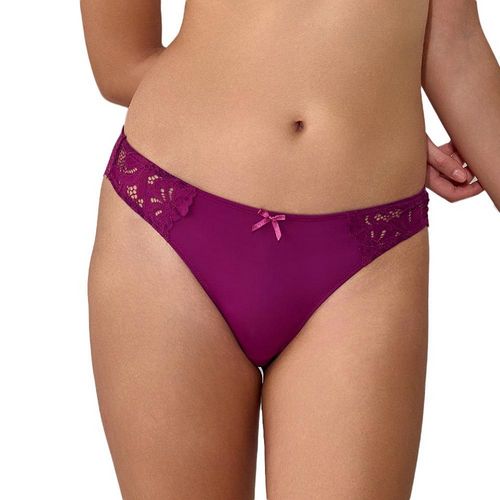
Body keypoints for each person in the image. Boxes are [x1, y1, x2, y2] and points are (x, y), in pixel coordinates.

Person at [81, 0, 499, 498]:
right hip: (171, 226)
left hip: (365, 259)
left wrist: (369, 116)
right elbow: (120, 65)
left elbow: (456, 43)